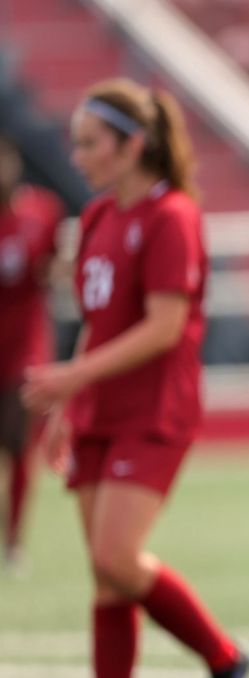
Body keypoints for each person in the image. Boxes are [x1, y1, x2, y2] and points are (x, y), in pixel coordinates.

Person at [21, 79, 249, 678]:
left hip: (153, 409)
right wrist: (68, 404)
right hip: (99, 408)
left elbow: (165, 327)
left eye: (91, 143)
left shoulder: (171, 215)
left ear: (133, 146)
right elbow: (98, 324)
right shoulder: (94, 218)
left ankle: (224, 657)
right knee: (107, 574)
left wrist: (69, 377)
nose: (79, 154)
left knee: (117, 557)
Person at [0, 135, 63, 573]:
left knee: (21, 446)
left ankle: (14, 542)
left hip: (25, 350)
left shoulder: (43, 212)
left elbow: (54, 269)